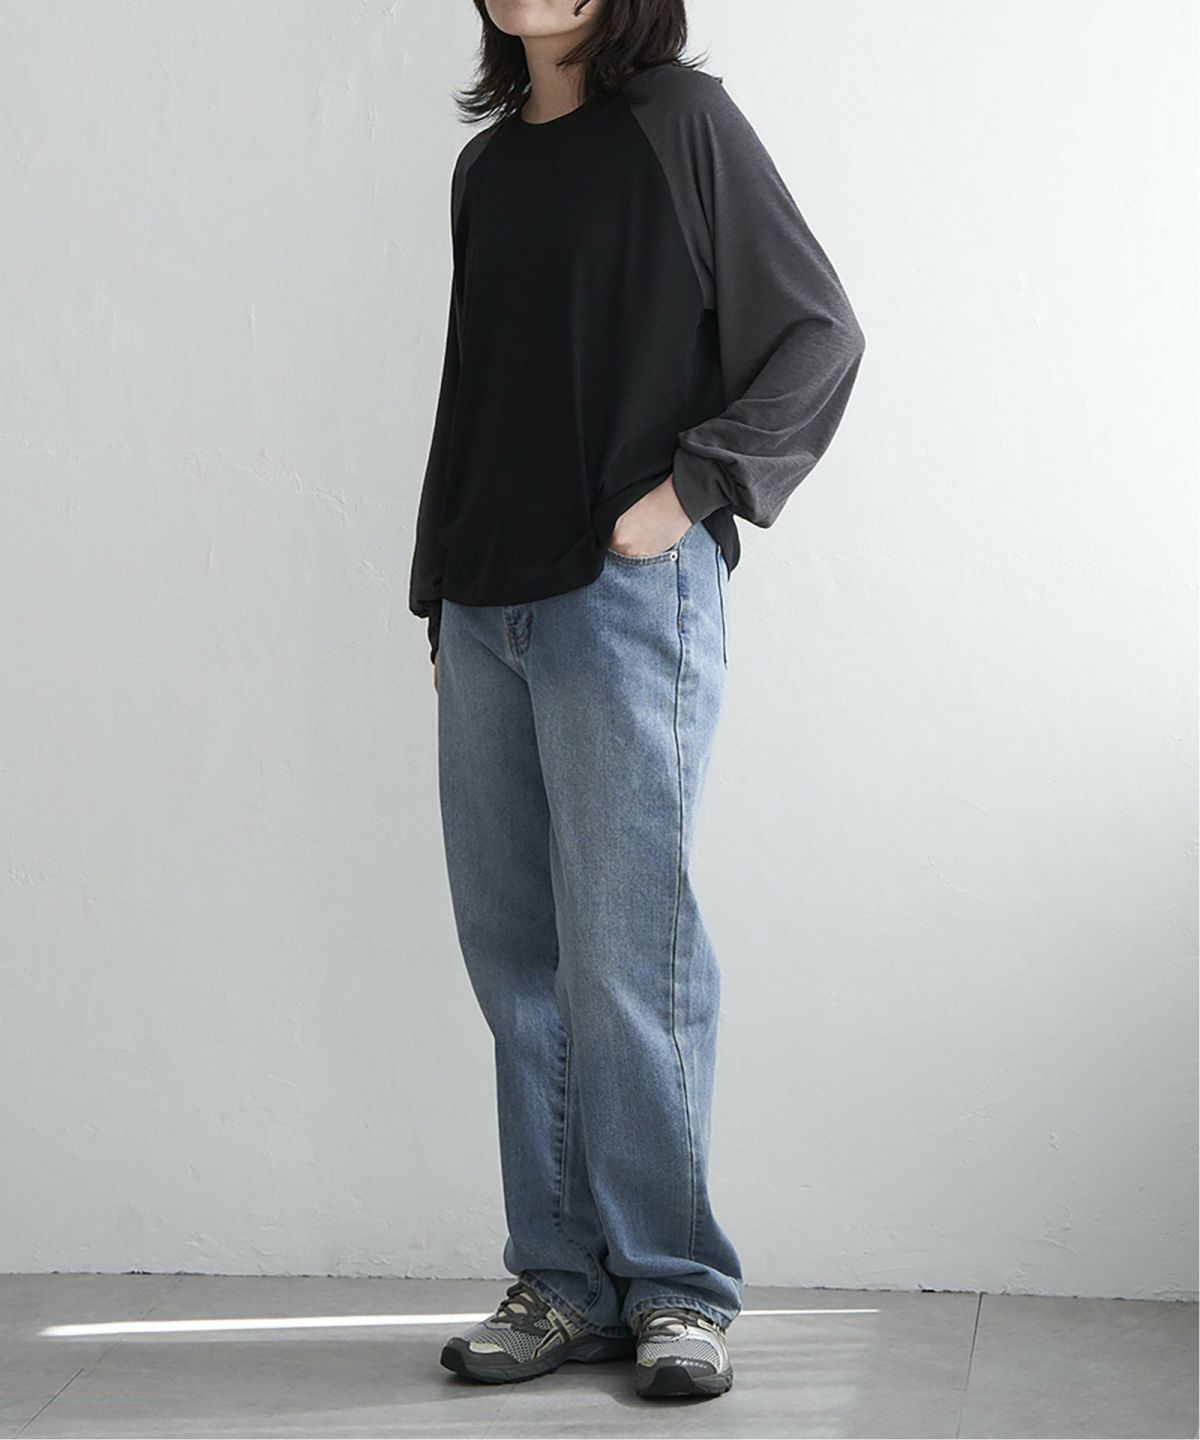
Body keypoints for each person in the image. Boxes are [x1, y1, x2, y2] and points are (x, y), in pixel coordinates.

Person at [408, 0, 865, 1402]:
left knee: (628, 953)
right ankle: (562, 1283)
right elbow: (474, 387)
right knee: (517, 960)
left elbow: (819, 335)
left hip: (621, 598)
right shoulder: (489, 167)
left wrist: (689, 494)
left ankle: (676, 1287)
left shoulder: (683, 125)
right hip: (485, 601)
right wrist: (437, 588)